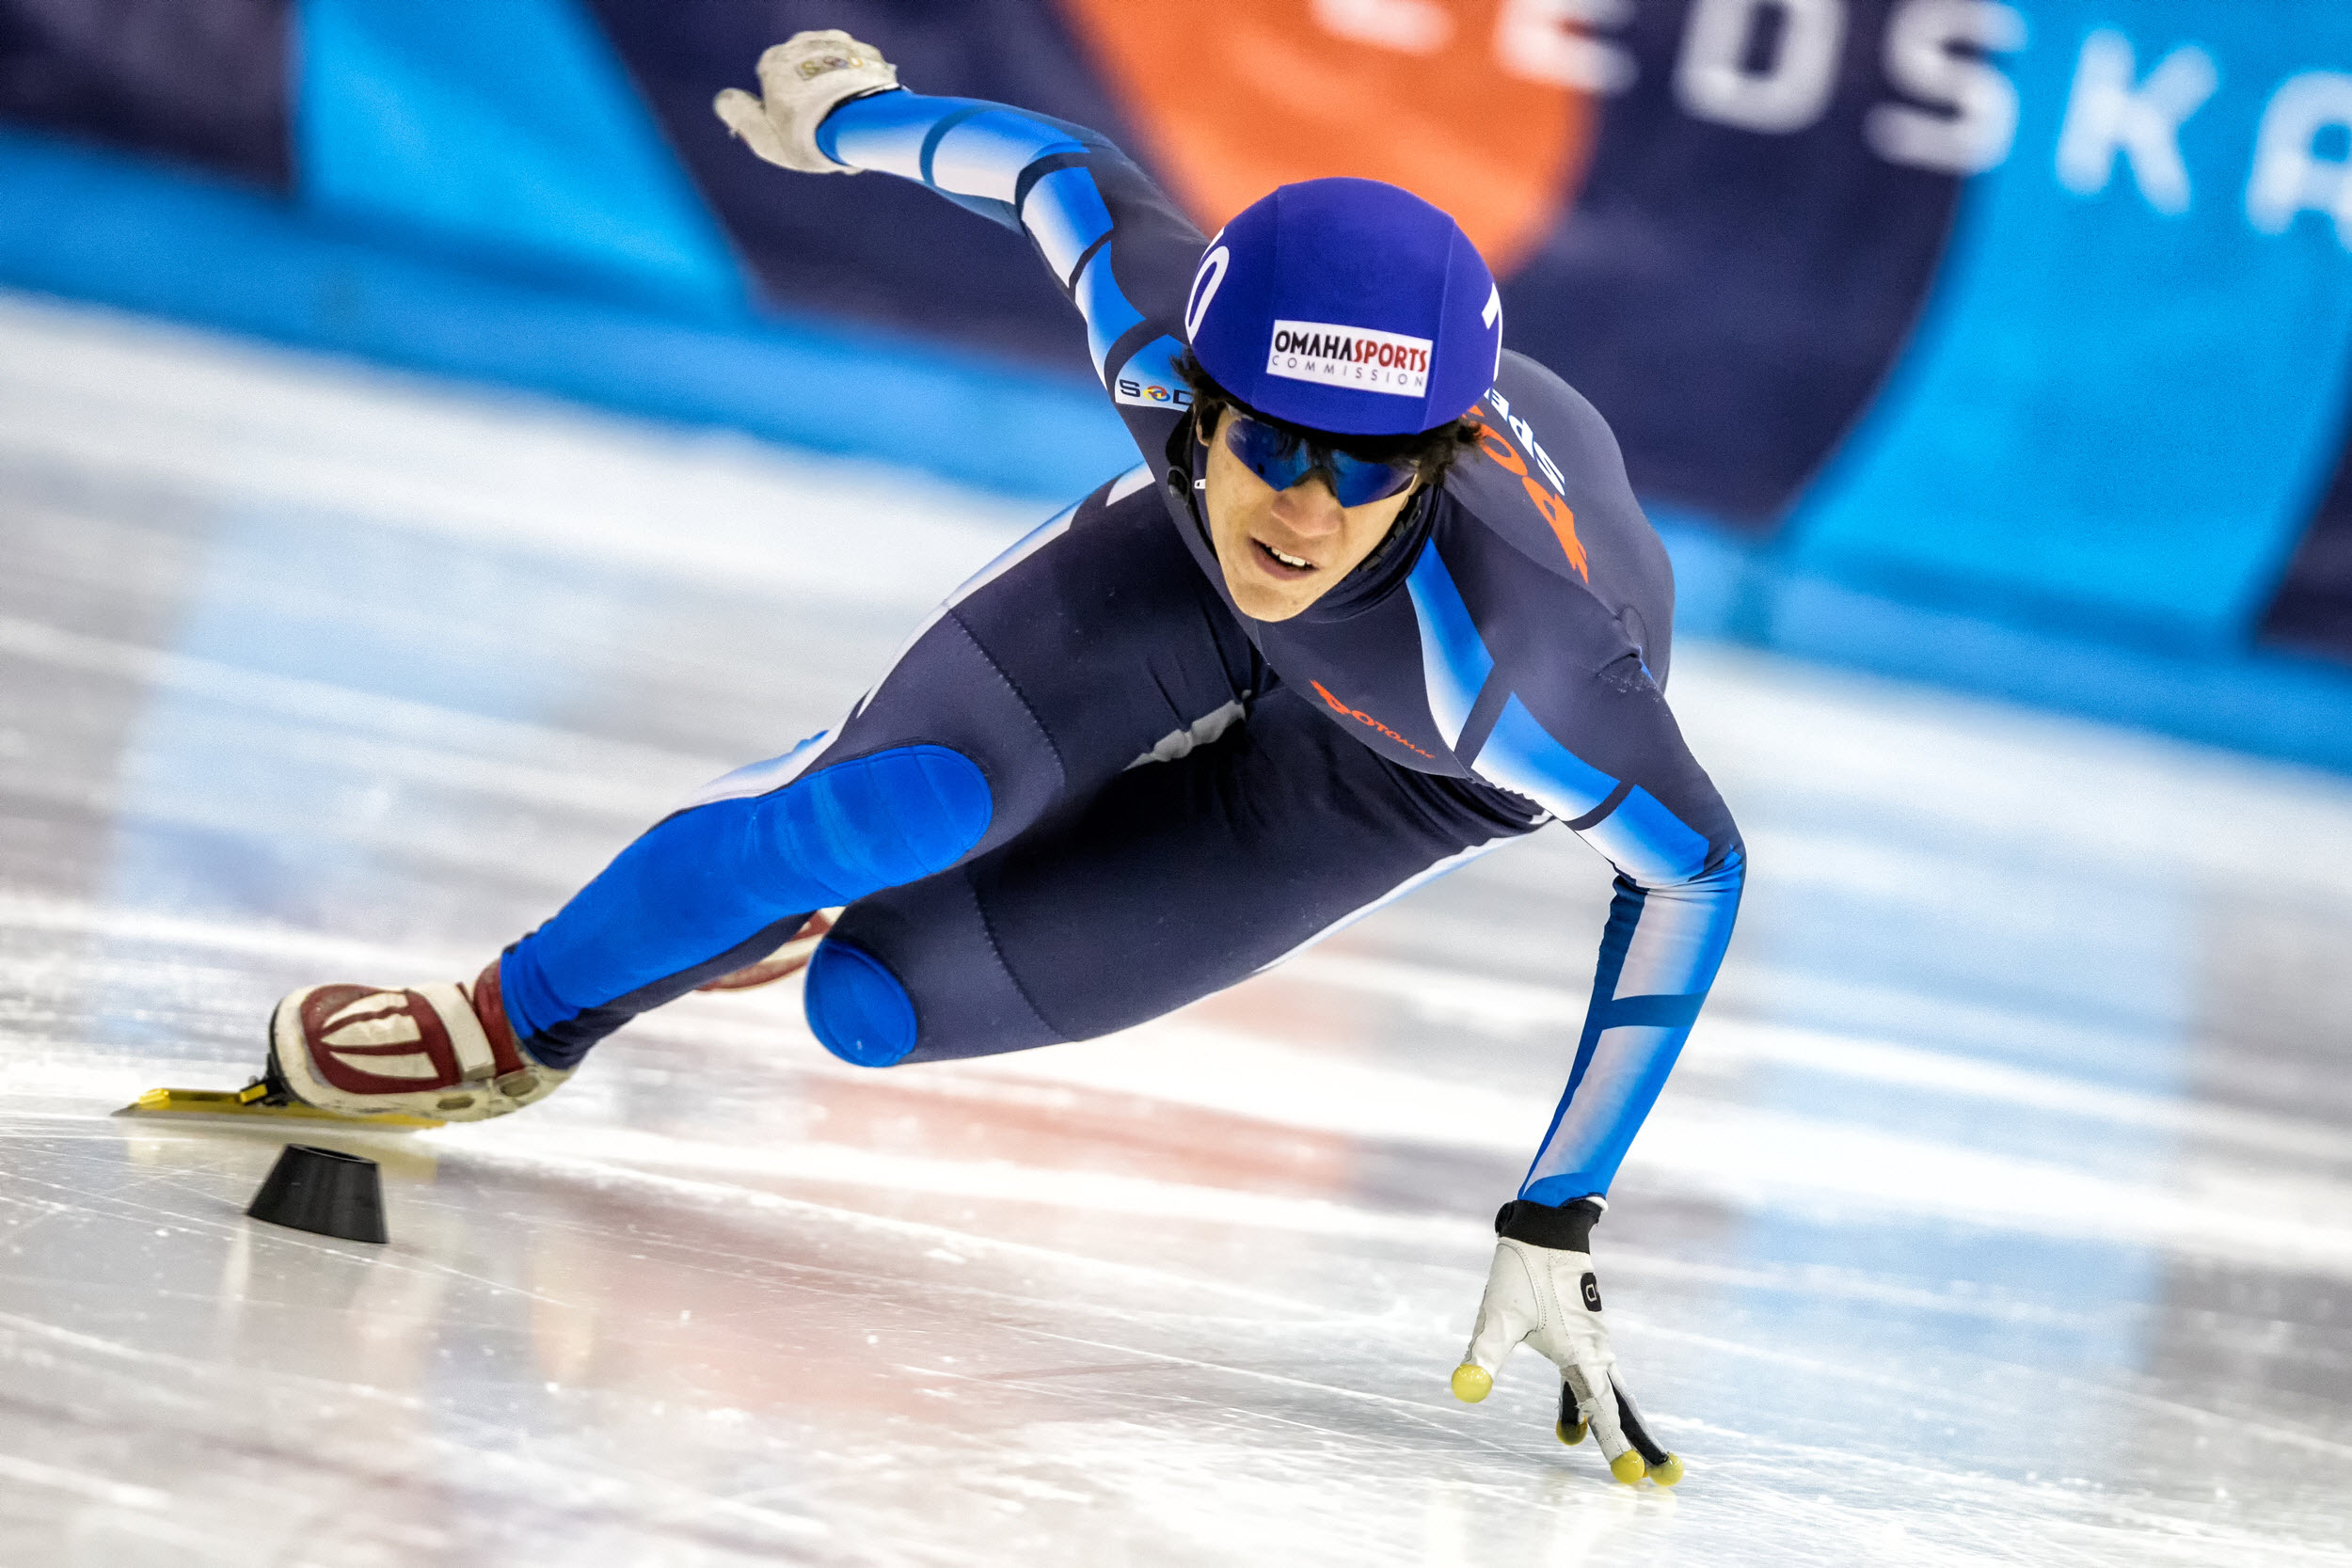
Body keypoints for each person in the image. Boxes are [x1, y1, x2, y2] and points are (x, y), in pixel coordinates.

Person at [261, 30, 1743, 1486]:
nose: (1305, 507)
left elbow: (1695, 874)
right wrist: (844, 118)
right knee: (888, 805)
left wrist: (1556, 1208)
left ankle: (892, 856)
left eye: (1368, 469)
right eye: (1274, 445)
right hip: (1184, 578)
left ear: (1431, 463)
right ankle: (511, 1023)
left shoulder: (1517, 677)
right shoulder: (1160, 356)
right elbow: (1053, 168)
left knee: (870, 1005)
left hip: (1396, 764)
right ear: (1200, 402)